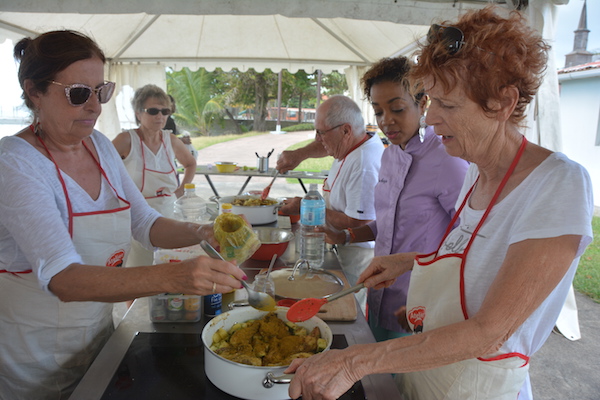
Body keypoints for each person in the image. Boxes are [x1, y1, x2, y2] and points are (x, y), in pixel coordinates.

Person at [285, 7, 594, 400]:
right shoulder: (473, 171)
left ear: (501, 103)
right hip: (434, 369)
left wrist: (354, 362)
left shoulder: (558, 184)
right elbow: (471, 255)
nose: (430, 119)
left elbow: (490, 332)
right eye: (431, 102)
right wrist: (411, 266)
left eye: (447, 105)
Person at [0, 30, 245, 400]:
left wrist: (204, 232)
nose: (96, 107)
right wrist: (175, 276)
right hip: (36, 358)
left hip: (98, 337)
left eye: (102, 92)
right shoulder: (17, 164)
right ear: (34, 91)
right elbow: (63, 278)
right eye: (78, 94)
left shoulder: (97, 146)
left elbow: (145, 224)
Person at [326, 57, 468, 341]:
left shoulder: (446, 160)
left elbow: (468, 238)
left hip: (418, 301)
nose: (386, 120)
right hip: (380, 291)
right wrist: (343, 236)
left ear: (423, 103)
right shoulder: (389, 154)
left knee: (403, 383)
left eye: (397, 108)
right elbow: (388, 223)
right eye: (378, 111)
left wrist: (437, 292)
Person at [279, 95, 384, 310]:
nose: (318, 139)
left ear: (345, 131)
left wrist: (306, 206)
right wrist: (299, 154)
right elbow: (323, 144)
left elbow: (360, 222)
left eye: (321, 132)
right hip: (340, 247)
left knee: (348, 311)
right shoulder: (350, 145)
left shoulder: (363, 163)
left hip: (357, 258)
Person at [112, 84, 197, 267]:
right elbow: (101, 168)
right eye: (152, 111)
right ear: (138, 113)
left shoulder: (171, 140)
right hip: (136, 217)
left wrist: (181, 190)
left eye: (165, 111)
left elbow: (190, 163)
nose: (160, 116)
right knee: (138, 272)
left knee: (167, 268)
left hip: (168, 214)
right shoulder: (126, 140)